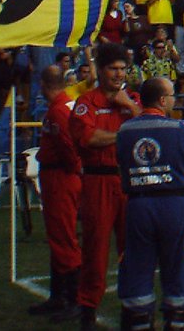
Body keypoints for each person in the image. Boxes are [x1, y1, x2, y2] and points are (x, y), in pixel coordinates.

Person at [116, 77, 184, 331]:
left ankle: (140, 319)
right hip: (172, 203)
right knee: (177, 263)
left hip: (138, 205)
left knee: (138, 262)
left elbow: (120, 161)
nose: (174, 100)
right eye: (172, 95)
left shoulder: (125, 130)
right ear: (163, 100)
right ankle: (175, 320)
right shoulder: (178, 129)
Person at [68, 43, 141, 329]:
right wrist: (123, 131)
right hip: (98, 180)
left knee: (132, 247)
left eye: (123, 69)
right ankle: (87, 305)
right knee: (95, 248)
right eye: (113, 68)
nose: (118, 74)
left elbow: (146, 129)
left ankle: (131, 303)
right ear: (101, 70)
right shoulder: (88, 102)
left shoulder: (131, 100)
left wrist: (131, 107)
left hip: (127, 181)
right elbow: (88, 138)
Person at [27, 65, 82, 318]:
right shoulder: (65, 106)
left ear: (44, 84)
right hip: (59, 176)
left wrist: (72, 169)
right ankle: (59, 295)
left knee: (63, 236)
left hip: (60, 177)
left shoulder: (58, 111)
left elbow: (69, 148)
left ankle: (72, 299)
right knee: (58, 236)